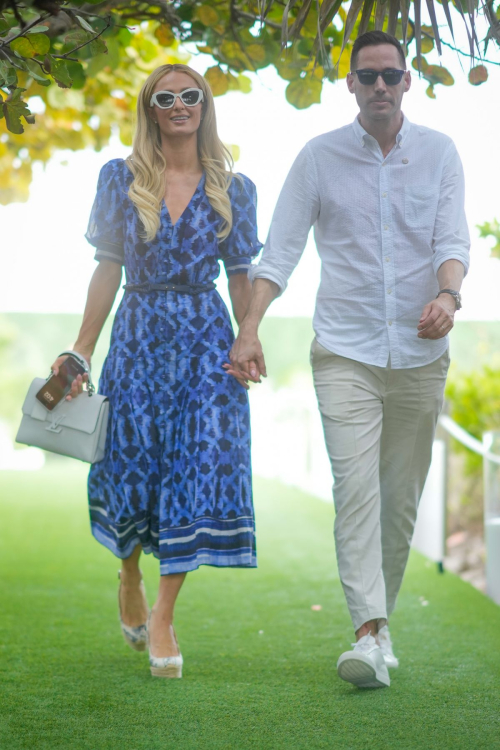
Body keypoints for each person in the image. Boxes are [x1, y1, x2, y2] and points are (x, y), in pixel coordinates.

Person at [228, 30, 470, 689]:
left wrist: (448, 295)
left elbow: (452, 240)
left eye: (391, 76)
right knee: (355, 489)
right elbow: (277, 254)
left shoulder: (441, 154)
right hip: (344, 351)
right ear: (352, 86)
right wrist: (248, 328)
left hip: (422, 354)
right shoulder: (318, 158)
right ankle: (367, 634)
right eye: (368, 77)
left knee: (398, 503)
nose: (381, 87)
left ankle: (379, 625)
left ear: (408, 81)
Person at [51, 63, 261, 679]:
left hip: (207, 341)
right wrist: (81, 351)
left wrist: (249, 337)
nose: (178, 105)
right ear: (150, 108)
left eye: (188, 96)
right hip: (139, 335)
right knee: (130, 464)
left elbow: (242, 272)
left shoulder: (235, 186)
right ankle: (128, 570)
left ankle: (165, 615)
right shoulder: (119, 178)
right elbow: (107, 267)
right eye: (164, 98)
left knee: (195, 467)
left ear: (204, 104)